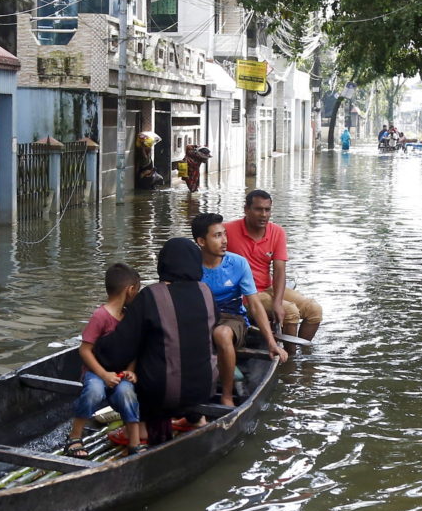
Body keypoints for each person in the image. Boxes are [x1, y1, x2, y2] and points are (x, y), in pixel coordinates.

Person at [94, 238, 220, 447]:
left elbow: (120, 348)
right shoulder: (206, 292)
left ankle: (142, 427)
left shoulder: (152, 295)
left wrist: (96, 349)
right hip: (205, 388)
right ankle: (197, 418)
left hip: (164, 395)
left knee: (137, 354)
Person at [192, 211, 289, 404]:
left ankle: (227, 395)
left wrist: (270, 341)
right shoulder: (190, 264)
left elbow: (254, 304)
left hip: (231, 318)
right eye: (217, 236)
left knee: (221, 334)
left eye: (224, 234)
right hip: (200, 317)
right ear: (201, 241)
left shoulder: (237, 263)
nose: (225, 241)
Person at [225, 188, 324, 341]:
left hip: (268, 287)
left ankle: (299, 354)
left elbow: (279, 271)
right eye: (258, 209)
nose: (263, 214)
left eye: (267, 210)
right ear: (246, 209)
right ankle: (289, 358)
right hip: (245, 294)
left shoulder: (277, 232)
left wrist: (277, 303)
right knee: (290, 311)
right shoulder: (227, 230)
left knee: (314, 310)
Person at [68, 263, 146, 457]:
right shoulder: (100, 316)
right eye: (137, 290)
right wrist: (103, 375)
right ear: (130, 290)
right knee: (94, 391)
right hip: (96, 372)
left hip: (119, 373)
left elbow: (133, 349)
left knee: (127, 393)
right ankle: (75, 437)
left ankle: (134, 443)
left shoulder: (129, 317)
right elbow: (85, 350)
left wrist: (131, 370)